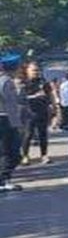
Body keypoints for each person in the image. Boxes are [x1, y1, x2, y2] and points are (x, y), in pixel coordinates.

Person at [19, 61, 53, 165]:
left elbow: (50, 94)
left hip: (42, 111)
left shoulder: (43, 82)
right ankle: (25, 155)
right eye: (33, 70)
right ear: (27, 71)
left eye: (37, 70)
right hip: (29, 112)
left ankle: (44, 155)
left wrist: (52, 106)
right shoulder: (23, 83)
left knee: (43, 134)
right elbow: (20, 98)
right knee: (28, 134)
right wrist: (34, 96)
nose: (36, 72)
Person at [0, 54, 25, 192]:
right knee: (11, 152)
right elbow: (10, 104)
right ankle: (3, 180)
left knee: (6, 151)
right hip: (5, 119)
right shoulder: (7, 82)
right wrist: (17, 123)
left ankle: (4, 179)